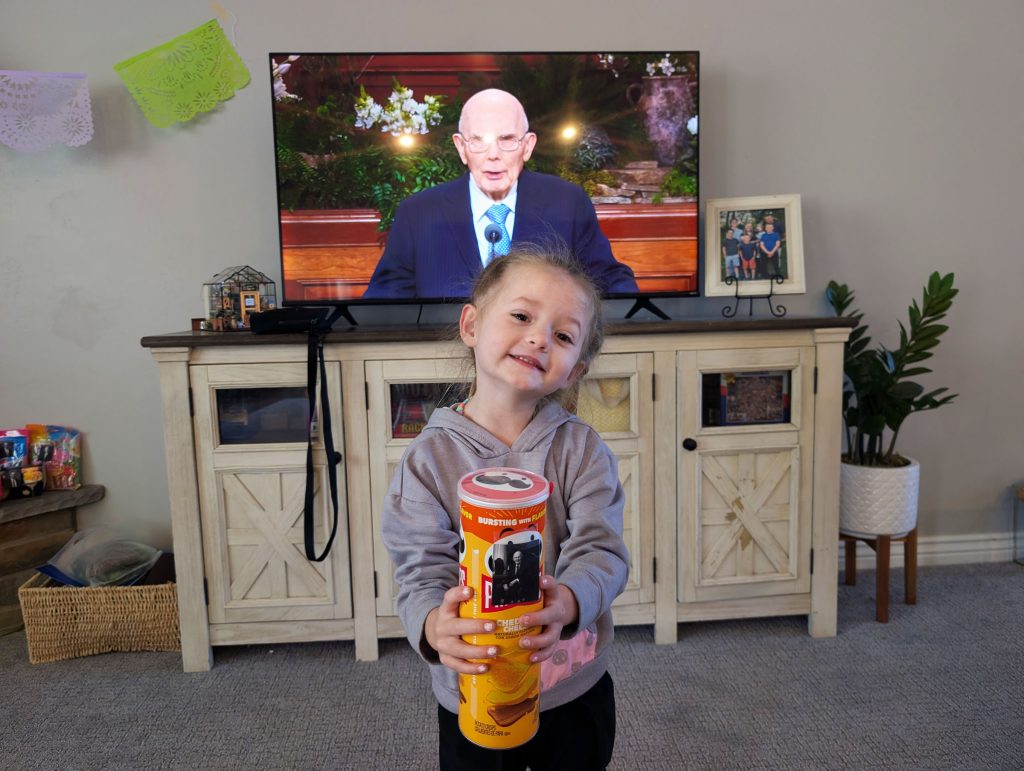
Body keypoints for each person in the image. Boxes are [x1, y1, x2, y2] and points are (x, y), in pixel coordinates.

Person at [381, 244, 630, 769]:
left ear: (573, 369)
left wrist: (571, 601)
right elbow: (419, 565)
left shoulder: (582, 450)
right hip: (477, 688)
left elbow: (602, 551)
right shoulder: (429, 458)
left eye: (563, 336)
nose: (540, 338)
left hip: (571, 685)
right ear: (471, 324)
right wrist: (430, 625)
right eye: (521, 316)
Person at [363, 89, 638, 300]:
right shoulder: (419, 214)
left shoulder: (566, 203)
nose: (493, 155)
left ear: (527, 147)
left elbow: (610, 280)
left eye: (506, 140)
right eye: (478, 141)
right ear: (461, 148)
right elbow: (382, 308)